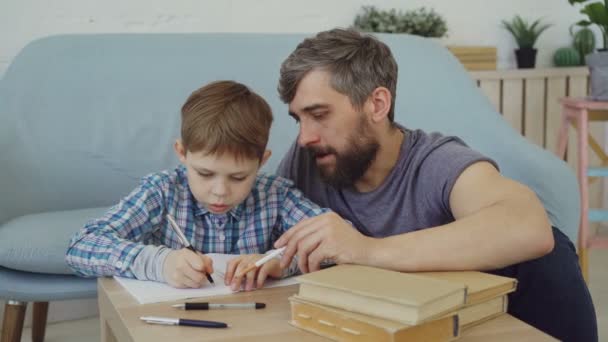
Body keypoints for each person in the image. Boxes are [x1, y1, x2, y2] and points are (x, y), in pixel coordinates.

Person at [273, 28, 597, 341]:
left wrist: (365, 249)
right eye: (298, 119)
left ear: (377, 105)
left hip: (452, 327)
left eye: (319, 114)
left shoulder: (435, 163)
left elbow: (529, 226)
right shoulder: (308, 160)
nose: (304, 137)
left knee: (549, 258)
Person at [66, 80, 329, 292]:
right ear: (182, 152)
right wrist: (161, 262)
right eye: (204, 173)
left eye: (238, 177)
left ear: (262, 162)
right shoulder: (162, 192)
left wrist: (279, 261)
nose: (220, 191)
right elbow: (82, 246)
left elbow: (334, 240)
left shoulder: (275, 195)